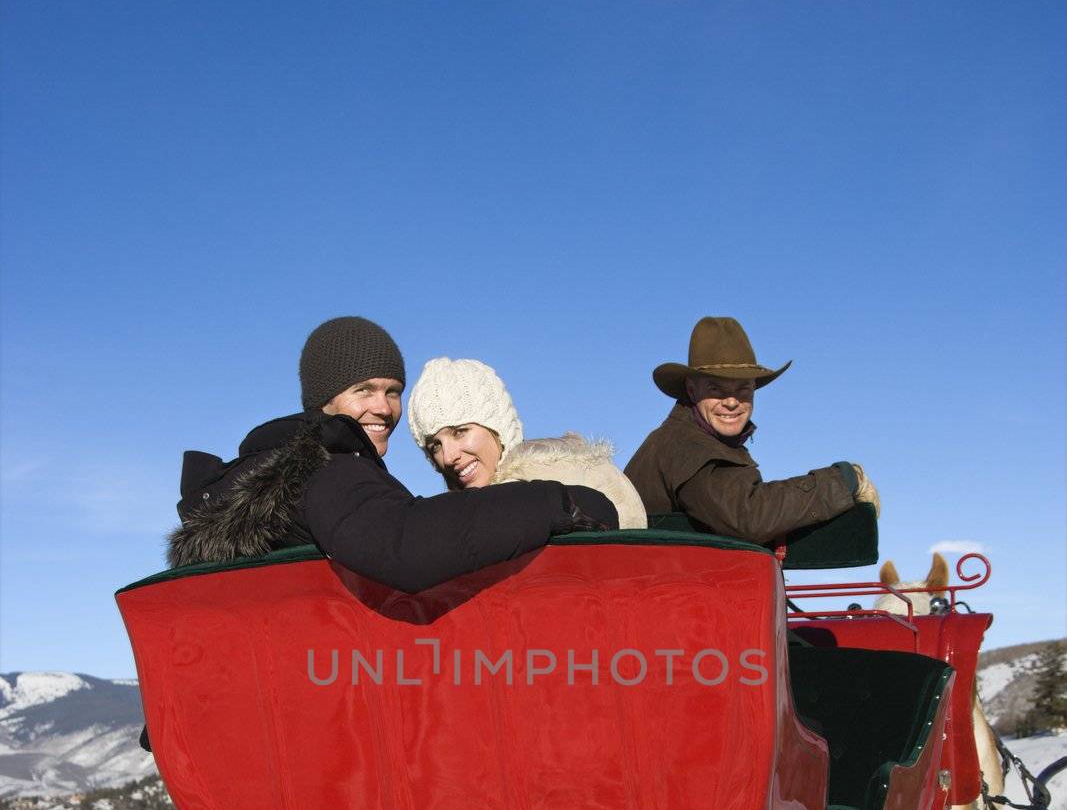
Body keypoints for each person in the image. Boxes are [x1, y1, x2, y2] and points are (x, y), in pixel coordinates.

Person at [167, 317, 618, 590]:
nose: (383, 408)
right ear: (323, 401)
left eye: (393, 392)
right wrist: (561, 502)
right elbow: (401, 545)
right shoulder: (327, 468)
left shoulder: (251, 482)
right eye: (363, 390)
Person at [624, 316, 878, 544]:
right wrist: (843, 480)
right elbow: (747, 518)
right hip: (663, 588)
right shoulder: (688, 446)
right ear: (692, 389)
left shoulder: (691, 438)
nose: (732, 401)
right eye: (716, 389)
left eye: (743, 389)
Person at [407, 357, 647, 528]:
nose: (448, 458)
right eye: (435, 446)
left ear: (497, 427)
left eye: (459, 432)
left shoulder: (551, 485)